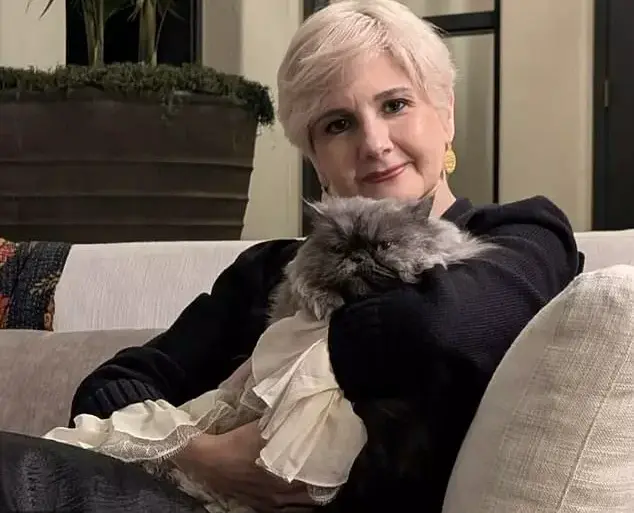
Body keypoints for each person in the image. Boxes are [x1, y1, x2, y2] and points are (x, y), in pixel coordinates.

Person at [0, 1, 583, 512]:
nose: (374, 143)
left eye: (396, 104)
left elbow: (434, 330)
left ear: (446, 113)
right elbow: (108, 388)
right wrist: (202, 456)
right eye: (338, 124)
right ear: (315, 158)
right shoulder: (269, 268)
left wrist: (299, 334)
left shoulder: (521, 234)